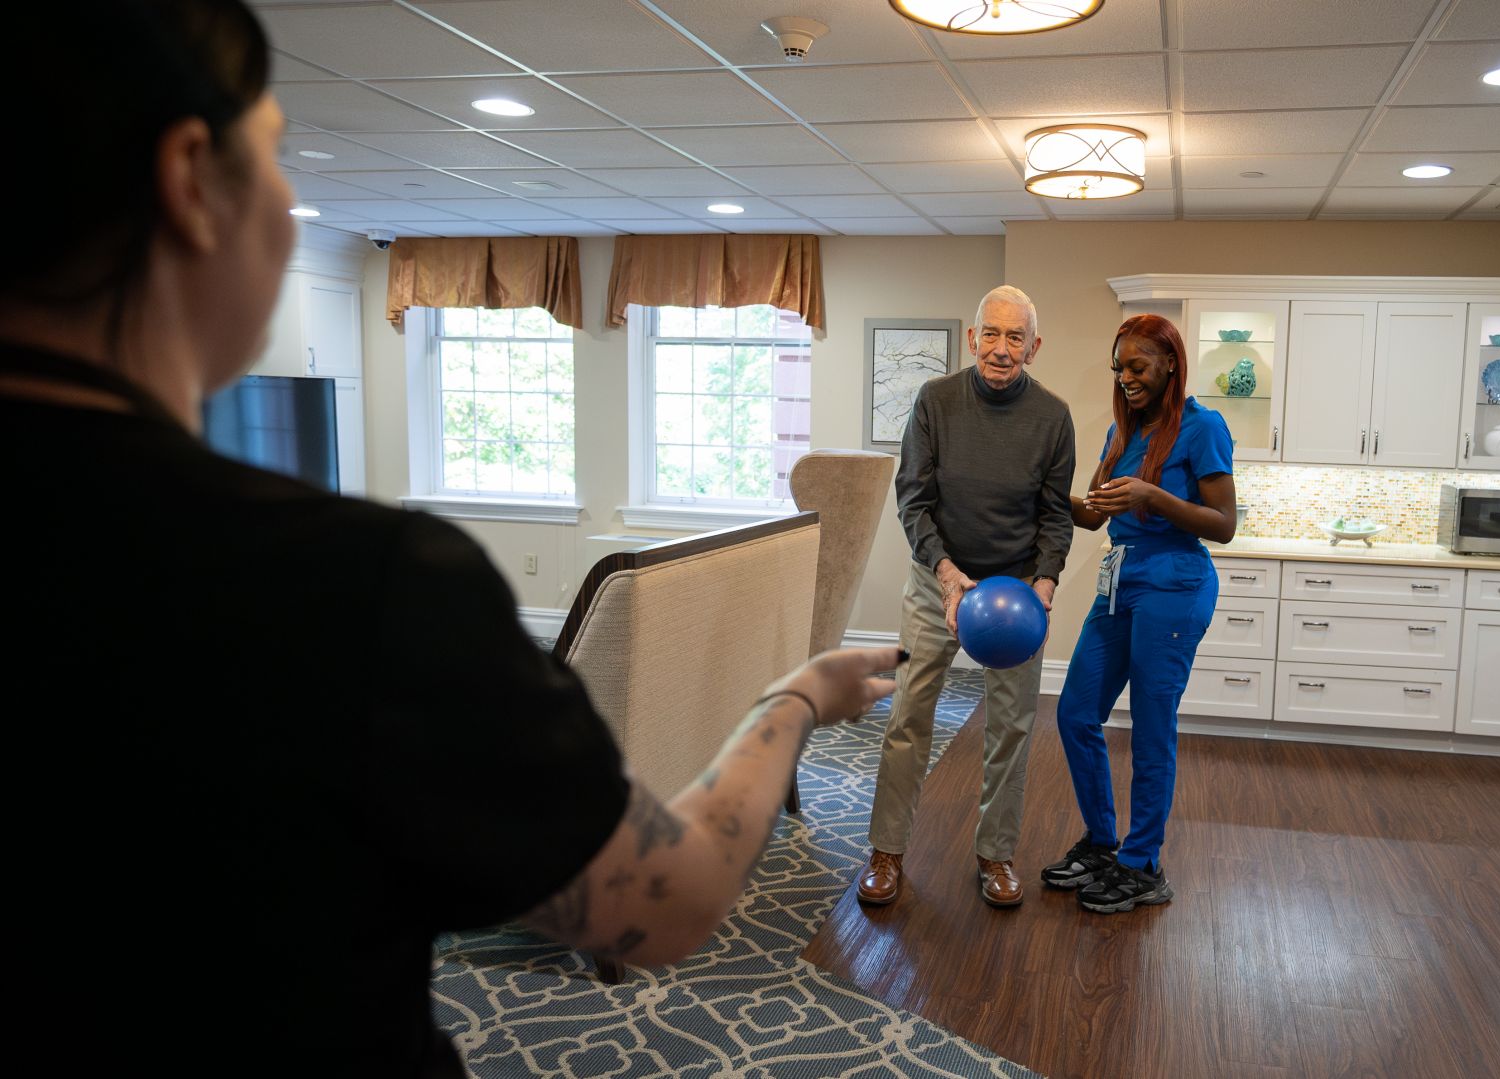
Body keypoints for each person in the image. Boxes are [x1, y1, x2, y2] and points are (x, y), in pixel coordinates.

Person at [1, 4, 897, 1076]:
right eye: (276, 152)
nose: (289, 202)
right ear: (191, 179)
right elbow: (666, 899)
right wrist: (796, 696)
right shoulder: (362, 585)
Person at [860, 285, 1076, 908]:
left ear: (1034, 347)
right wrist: (946, 571)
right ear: (973, 337)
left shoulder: (1053, 417)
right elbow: (913, 497)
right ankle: (886, 851)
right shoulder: (935, 400)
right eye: (992, 334)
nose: (1001, 349)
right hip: (939, 582)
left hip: (1015, 594)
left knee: (1010, 726)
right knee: (908, 713)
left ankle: (996, 856)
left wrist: (1046, 580)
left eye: (1016, 337)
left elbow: (1055, 514)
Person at [1042, 314, 1237, 913]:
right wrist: (1038, 488)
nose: (1125, 378)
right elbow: (1092, 515)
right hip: (1120, 582)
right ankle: (1103, 842)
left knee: (1151, 727)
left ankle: (1142, 862)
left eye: (1138, 366)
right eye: (1119, 368)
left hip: (1175, 582)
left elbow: (1224, 525)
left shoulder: (1203, 427)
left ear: (1170, 364)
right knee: (1076, 713)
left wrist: (1154, 495)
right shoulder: (1120, 432)